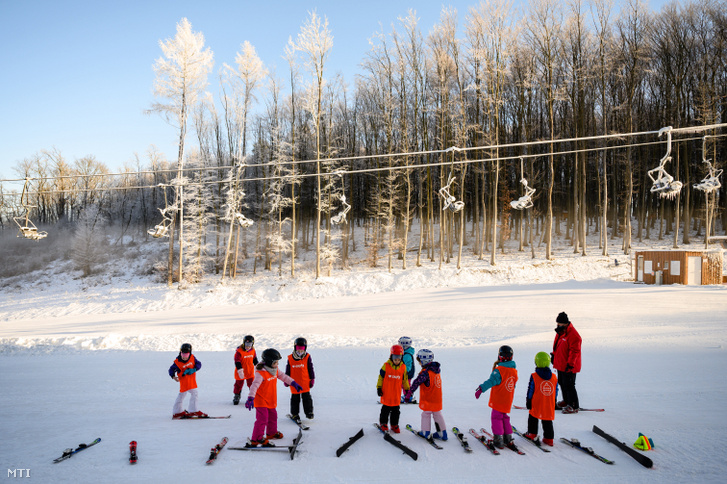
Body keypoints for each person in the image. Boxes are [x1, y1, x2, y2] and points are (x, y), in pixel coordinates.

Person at [244, 348, 302, 447]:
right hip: (261, 399)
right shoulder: (261, 373)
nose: (277, 364)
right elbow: (254, 385)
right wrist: (250, 397)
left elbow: (283, 376)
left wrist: (293, 382)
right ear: (269, 362)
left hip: (270, 398)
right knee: (262, 419)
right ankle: (256, 439)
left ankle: (271, 433)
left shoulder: (274, 370)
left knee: (273, 416)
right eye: (275, 362)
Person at [475, 345, 518, 448]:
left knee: (496, 418)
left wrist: (481, 389)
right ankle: (508, 438)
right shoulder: (513, 371)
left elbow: (491, 382)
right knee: (505, 417)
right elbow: (513, 385)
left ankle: (498, 439)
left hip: (499, 399)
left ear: (500, 356)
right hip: (507, 400)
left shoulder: (499, 370)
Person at [405, 348, 447, 441]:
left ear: (424, 361)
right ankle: (442, 433)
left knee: (426, 414)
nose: (419, 363)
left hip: (429, 399)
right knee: (437, 414)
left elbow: (416, 383)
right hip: (437, 399)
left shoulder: (425, 373)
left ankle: (425, 432)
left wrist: (409, 394)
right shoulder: (436, 370)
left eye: (420, 361)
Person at [523, 351, 558, 446]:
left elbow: (531, 389)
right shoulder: (554, 377)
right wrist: (554, 400)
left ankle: (532, 433)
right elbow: (556, 390)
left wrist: (528, 400)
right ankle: (549, 438)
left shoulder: (534, 376)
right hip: (549, 403)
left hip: (537, 402)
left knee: (533, 417)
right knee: (547, 419)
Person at [552, 311, 582, 414]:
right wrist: (554, 355)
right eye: (557, 324)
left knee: (569, 385)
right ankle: (566, 401)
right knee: (562, 383)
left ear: (565, 323)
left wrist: (570, 364)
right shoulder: (561, 332)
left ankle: (573, 405)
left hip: (569, 365)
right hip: (561, 364)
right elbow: (557, 345)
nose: (558, 325)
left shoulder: (573, 335)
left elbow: (575, 351)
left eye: (560, 324)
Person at [376, 344, 410, 433]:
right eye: (395, 359)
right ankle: (383, 423)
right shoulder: (386, 366)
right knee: (385, 410)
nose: (397, 361)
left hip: (396, 395)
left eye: (399, 359)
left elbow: (405, 379)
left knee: (396, 411)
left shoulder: (403, 367)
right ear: (391, 356)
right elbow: (381, 378)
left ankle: (394, 424)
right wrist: (379, 388)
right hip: (387, 393)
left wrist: (407, 389)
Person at [168, 343, 207, 419]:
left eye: (186, 355)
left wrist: (194, 369)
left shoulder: (192, 358)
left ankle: (177, 411)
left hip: (191, 381)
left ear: (190, 353)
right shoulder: (177, 362)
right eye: (183, 354)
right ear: (180, 352)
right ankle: (193, 410)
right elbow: (171, 369)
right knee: (194, 393)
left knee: (182, 395)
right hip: (184, 381)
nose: (184, 357)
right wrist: (173, 377)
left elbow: (198, 364)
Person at [285, 337, 315, 423]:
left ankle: (309, 412)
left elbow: (310, 368)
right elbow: (288, 370)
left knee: (307, 398)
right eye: (298, 351)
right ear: (295, 348)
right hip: (294, 382)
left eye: (302, 351)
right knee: (295, 399)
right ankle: (295, 414)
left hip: (305, 381)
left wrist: (312, 378)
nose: (300, 353)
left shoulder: (307, 357)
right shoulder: (290, 358)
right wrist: (286, 380)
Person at [233, 335, 258, 405]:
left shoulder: (253, 350)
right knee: (238, 385)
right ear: (243, 343)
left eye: (250, 344)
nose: (248, 346)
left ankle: (252, 396)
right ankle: (237, 395)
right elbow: (237, 362)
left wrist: (258, 367)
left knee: (252, 385)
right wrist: (240, 371)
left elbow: (255, 359)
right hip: (240, 372)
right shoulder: (239, 352)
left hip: (249, 371)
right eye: (246, 344)